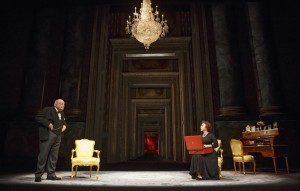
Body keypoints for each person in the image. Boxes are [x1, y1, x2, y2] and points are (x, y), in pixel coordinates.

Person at [34, 99, 67, 182]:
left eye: (64, 104)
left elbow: (64, 122)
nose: (63, 105)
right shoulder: (48, 110)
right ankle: (38, 175)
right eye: (61, 104)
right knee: (43, 155)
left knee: (54, 156)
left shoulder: (62, 113)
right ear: (55, 104)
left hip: (58, 135)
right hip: (48, 134)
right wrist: (48, 124)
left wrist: (65, 126)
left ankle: (51, 174)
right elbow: (38, 117)